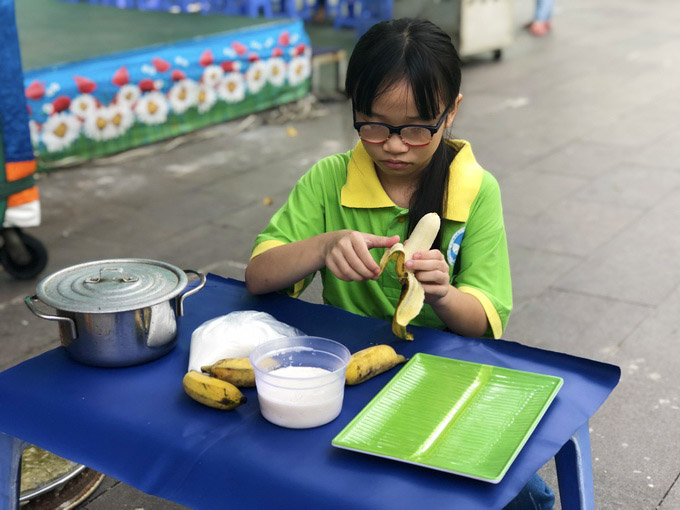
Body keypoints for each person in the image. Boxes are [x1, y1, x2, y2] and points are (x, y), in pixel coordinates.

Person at [246, 18, 554, 509]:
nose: (392, 145)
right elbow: (258, 277)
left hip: (445, 376)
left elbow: (485, 320)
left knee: (522, 497)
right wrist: (324, 246)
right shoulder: (329, 180)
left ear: (450, 111)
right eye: (373, 125)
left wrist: (445, 294)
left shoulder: (475, 192)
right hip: (348, 373)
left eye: (415, 129)